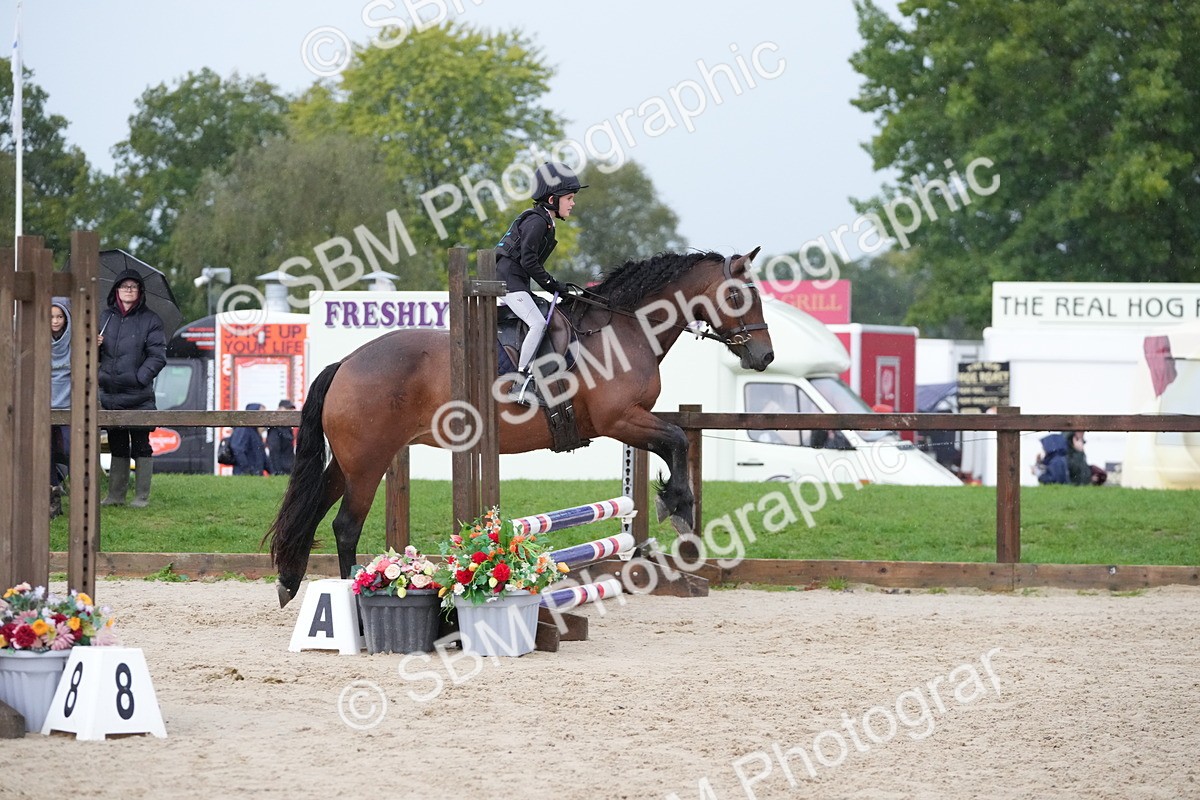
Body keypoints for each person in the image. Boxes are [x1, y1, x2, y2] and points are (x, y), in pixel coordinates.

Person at [495, 161, 586, 404]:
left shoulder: (544, 220)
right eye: (569, 197)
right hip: (507, 281)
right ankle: (520, 380)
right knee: (537, 323)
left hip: (514, 280)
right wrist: (552, 284)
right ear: (552, 199)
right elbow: (528, 261)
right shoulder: (536, 221)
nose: (573, 202)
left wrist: (553, 285)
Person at [98, 271, 167, 508]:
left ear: (140, 291)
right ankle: (115, 496)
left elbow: (158, 356)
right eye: (124, 286)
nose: (128, 290)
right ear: (115, 290)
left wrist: (139, 378)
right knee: (117, 443)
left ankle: (141, 497)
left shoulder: (151, 320)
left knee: (140, 444)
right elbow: (91, 356)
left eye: (133, 286)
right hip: (110, 394)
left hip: (139, 396)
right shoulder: (104, 318)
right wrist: (92, 344)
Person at [50, 297, 72, 519]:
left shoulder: (76, 342)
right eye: (51, 317)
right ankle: (53, 493)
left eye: (59, 317)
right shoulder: (36, 339)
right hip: (44, 405)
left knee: (68, 449)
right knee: (45, 451)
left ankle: (74, 487)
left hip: (68, 404)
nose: (55, 321)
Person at [231, 403, 268, 476]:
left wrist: (273, 472)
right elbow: (237, 449)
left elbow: (262, 454)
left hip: (254, 474)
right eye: (261, 414)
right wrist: (247, 470)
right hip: (244, 475)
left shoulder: (255, 431)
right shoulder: (243, 428)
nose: (264, 418)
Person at [266, 400, 296, 476]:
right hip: (282, 470)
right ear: (280, 409)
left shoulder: (287, 427)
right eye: (287, 409)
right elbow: (274, 450)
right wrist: (277, 471)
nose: (290, 412)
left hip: (289, 468)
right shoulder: (275, 428)